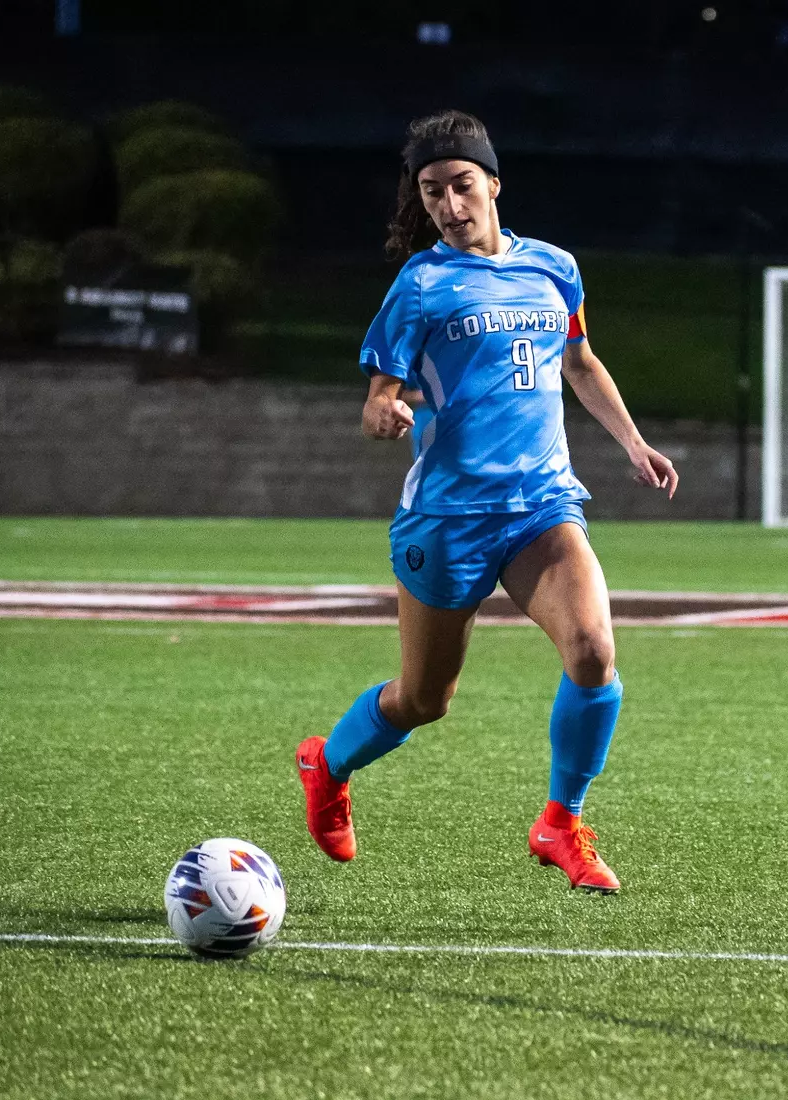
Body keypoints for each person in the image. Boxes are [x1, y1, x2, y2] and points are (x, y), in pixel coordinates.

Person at [294, 110, 678, 894]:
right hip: (447, 521)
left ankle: (560, 824)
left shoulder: (554, 268)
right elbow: (377, 399)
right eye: (432, 191)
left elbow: (579, 360)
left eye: (462, 185)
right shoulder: (420, 286)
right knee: (423, 700)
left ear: (494, 183)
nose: (448, 203)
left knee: (594, 653)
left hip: (541, 507)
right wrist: (386, 415)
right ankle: (327, 765)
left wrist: (632, 442)